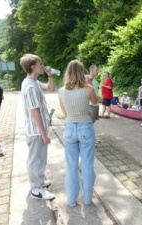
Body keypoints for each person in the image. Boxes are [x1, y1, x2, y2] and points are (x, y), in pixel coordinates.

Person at [58, 60, 97, 207]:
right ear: (83, 72)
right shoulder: (88, 88)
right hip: (85, 128)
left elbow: (65, 113)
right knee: (87, 165)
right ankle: (87, 199)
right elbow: (94, 102)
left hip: (69, 129)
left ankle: (71, 200)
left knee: (71, 166)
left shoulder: (61, 91)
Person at [20, 53, 55, 200]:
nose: (43, 65)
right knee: (36, 159)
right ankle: (36, 189)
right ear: (33, 67)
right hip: (36, 132)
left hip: (37, 131)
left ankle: (39, 181)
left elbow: (50, 89)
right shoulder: (31, 87)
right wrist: (44, 134)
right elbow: (34, 112)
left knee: (39, 158)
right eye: (40, 64)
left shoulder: (33, 82)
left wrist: (50, 76)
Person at [86, 64, 102, 145]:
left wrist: (99, 98)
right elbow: (87, 93)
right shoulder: (87, 80)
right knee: (90, 123)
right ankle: (91, 140)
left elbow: (95, 93)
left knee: (92, 122)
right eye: (96, 70)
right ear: (91, 70)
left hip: (96, 104)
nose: (97, 72)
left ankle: (92, 138)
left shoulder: (95, 81)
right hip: (91, 105)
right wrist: (97, 98)